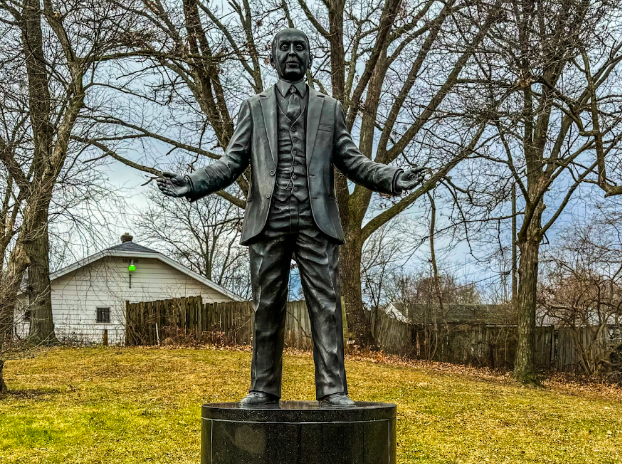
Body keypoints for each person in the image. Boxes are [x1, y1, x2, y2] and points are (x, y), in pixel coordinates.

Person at [159, 28, 425, 407]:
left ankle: (333, 390)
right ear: (272, 58)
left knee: (327, 305)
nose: (292, 53)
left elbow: (352, 160)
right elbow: (232, 162)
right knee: (266, 305)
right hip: (269, 219)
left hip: (316, 220)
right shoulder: (253, 107)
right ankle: (263, 387)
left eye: (300, 47)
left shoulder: (329, 109)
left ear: (310, 57)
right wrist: (192, 182)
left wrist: (392, 178)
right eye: (284, 48)